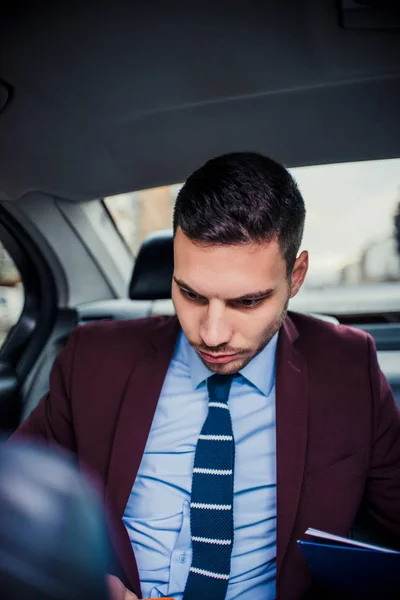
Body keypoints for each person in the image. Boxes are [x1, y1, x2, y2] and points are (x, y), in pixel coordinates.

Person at [12, 153, 400, 600]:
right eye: (190, 293)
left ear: (295, 277)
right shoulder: (93, 358)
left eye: (247, 302)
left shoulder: (347, 368)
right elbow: (13, 504)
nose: (212, 334)